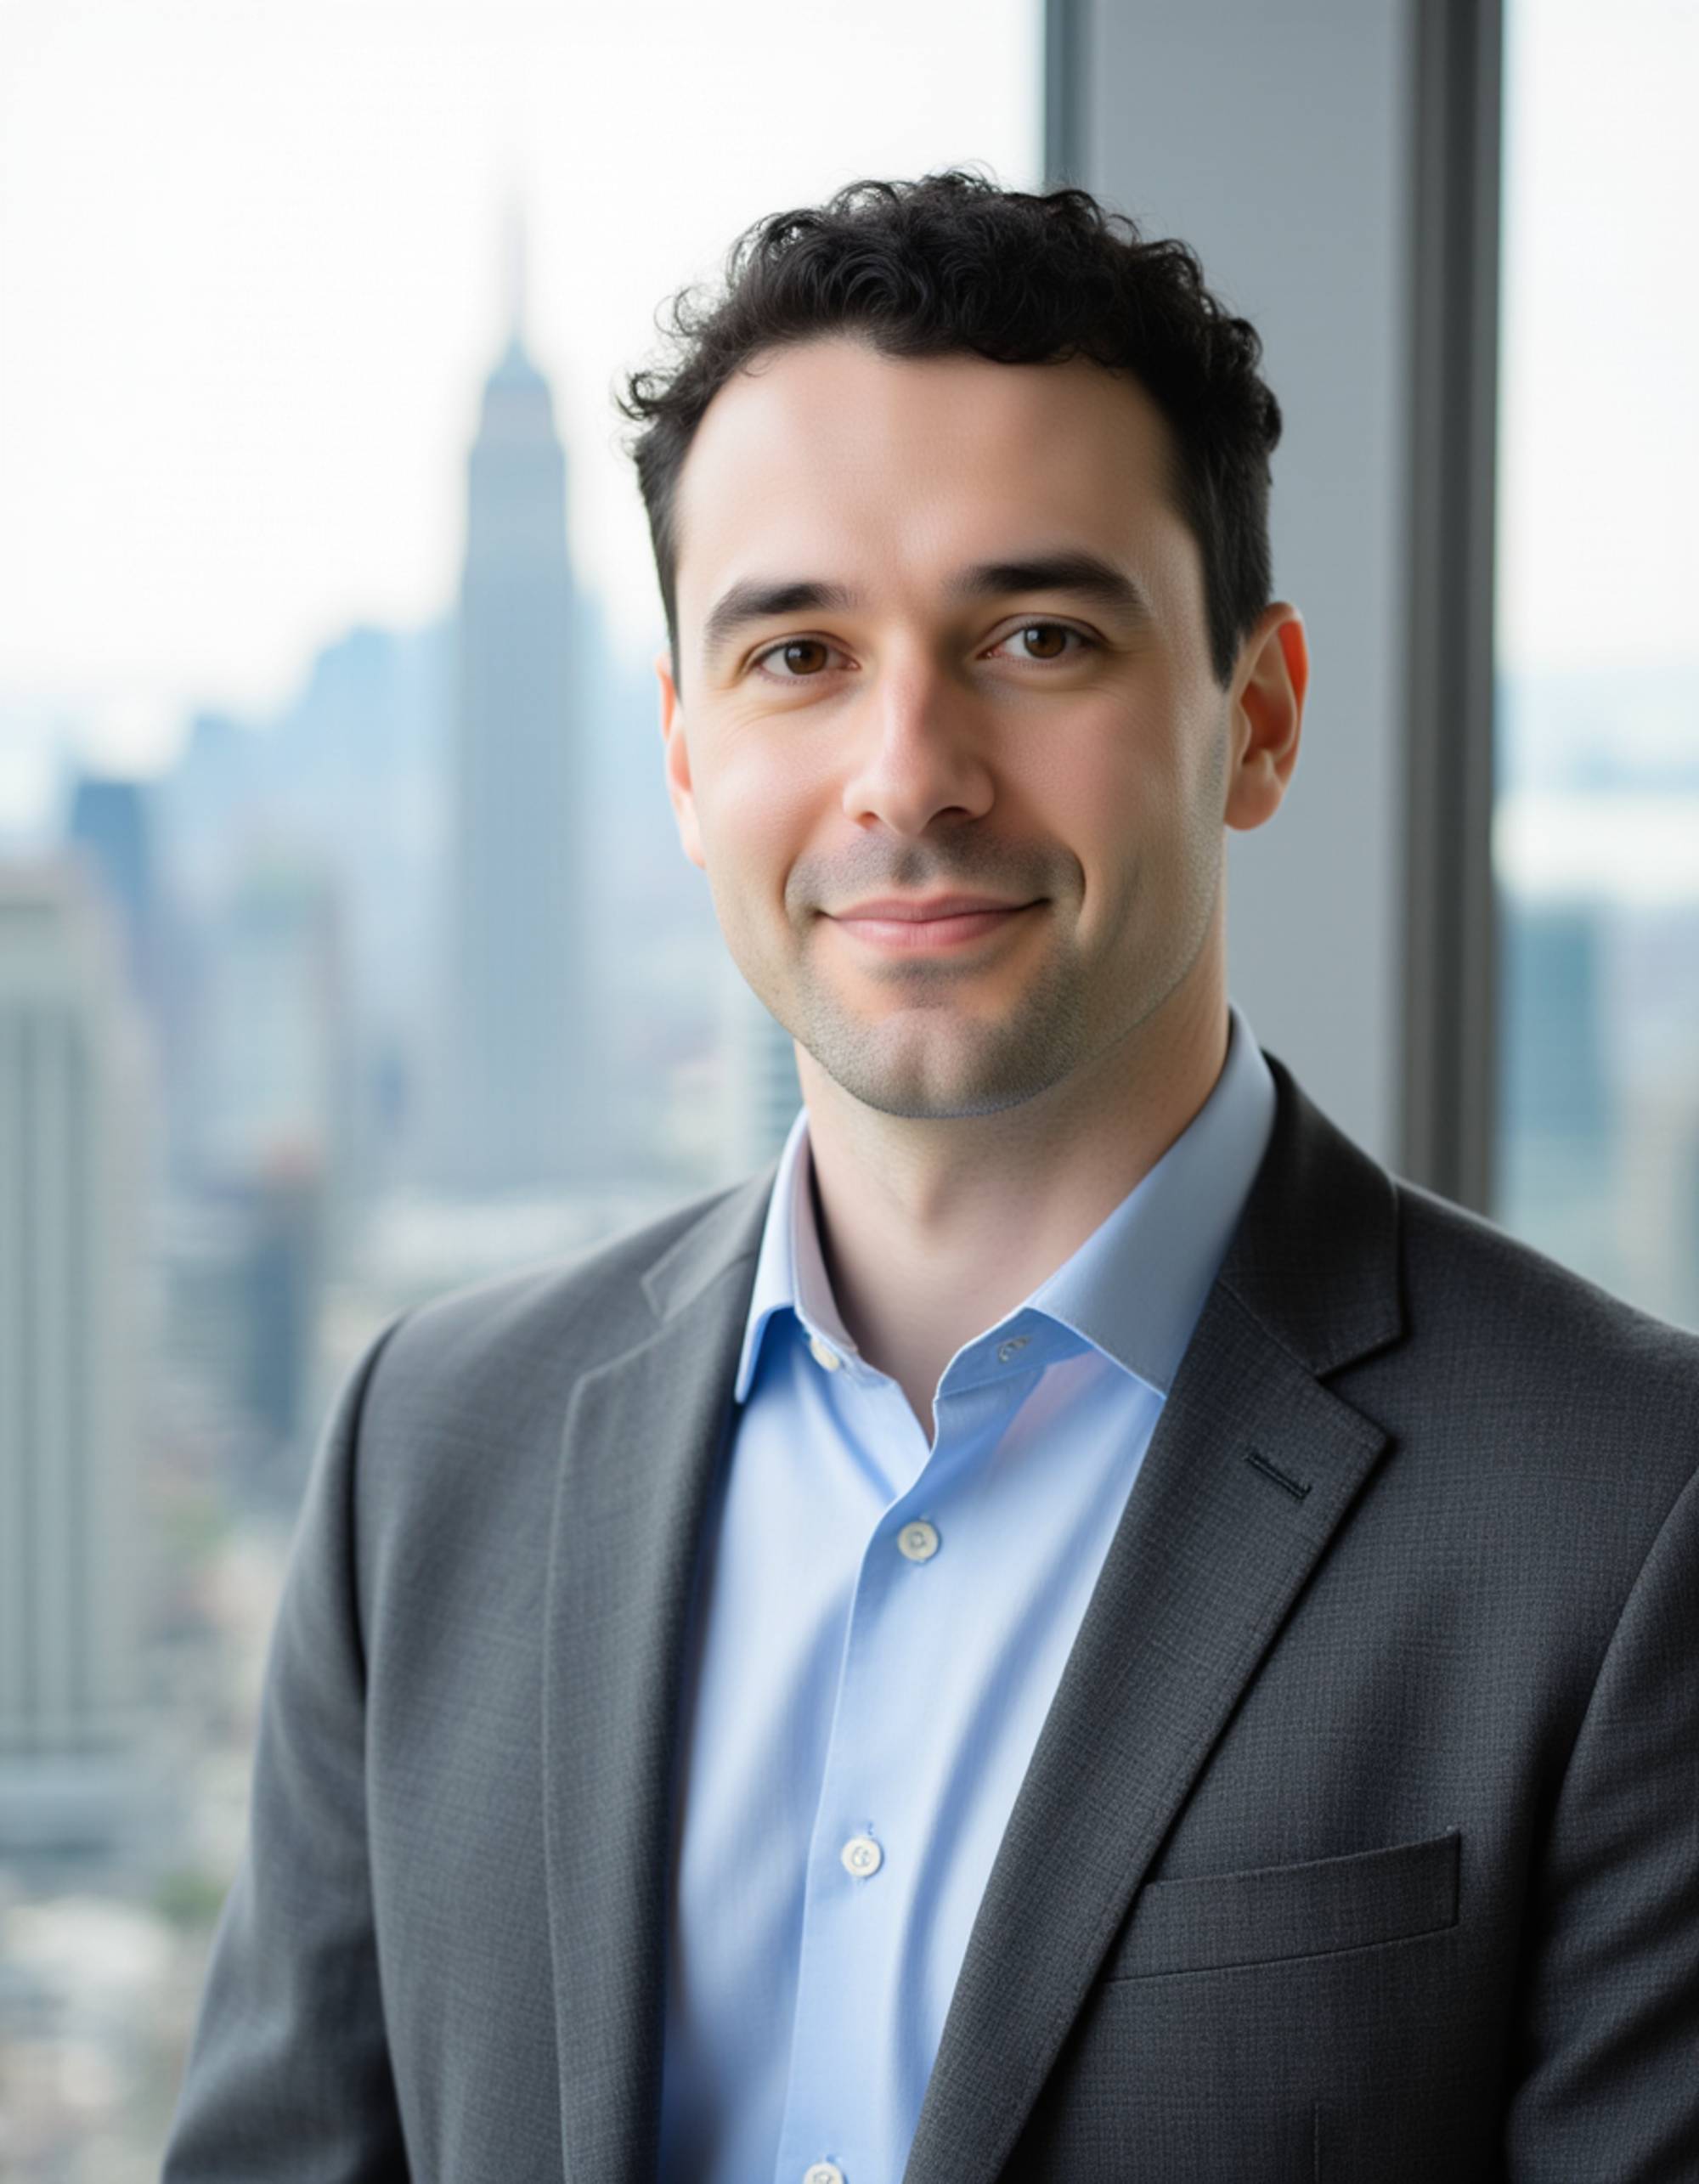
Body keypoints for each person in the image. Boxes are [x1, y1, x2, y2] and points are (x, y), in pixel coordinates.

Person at [161, 172, 1699, 2184]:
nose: (911, 768)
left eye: (1038, 635)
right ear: (688, 750)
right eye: (797, 653)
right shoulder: (429, 1457)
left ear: (1257, 714)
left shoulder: (1624, 1516)